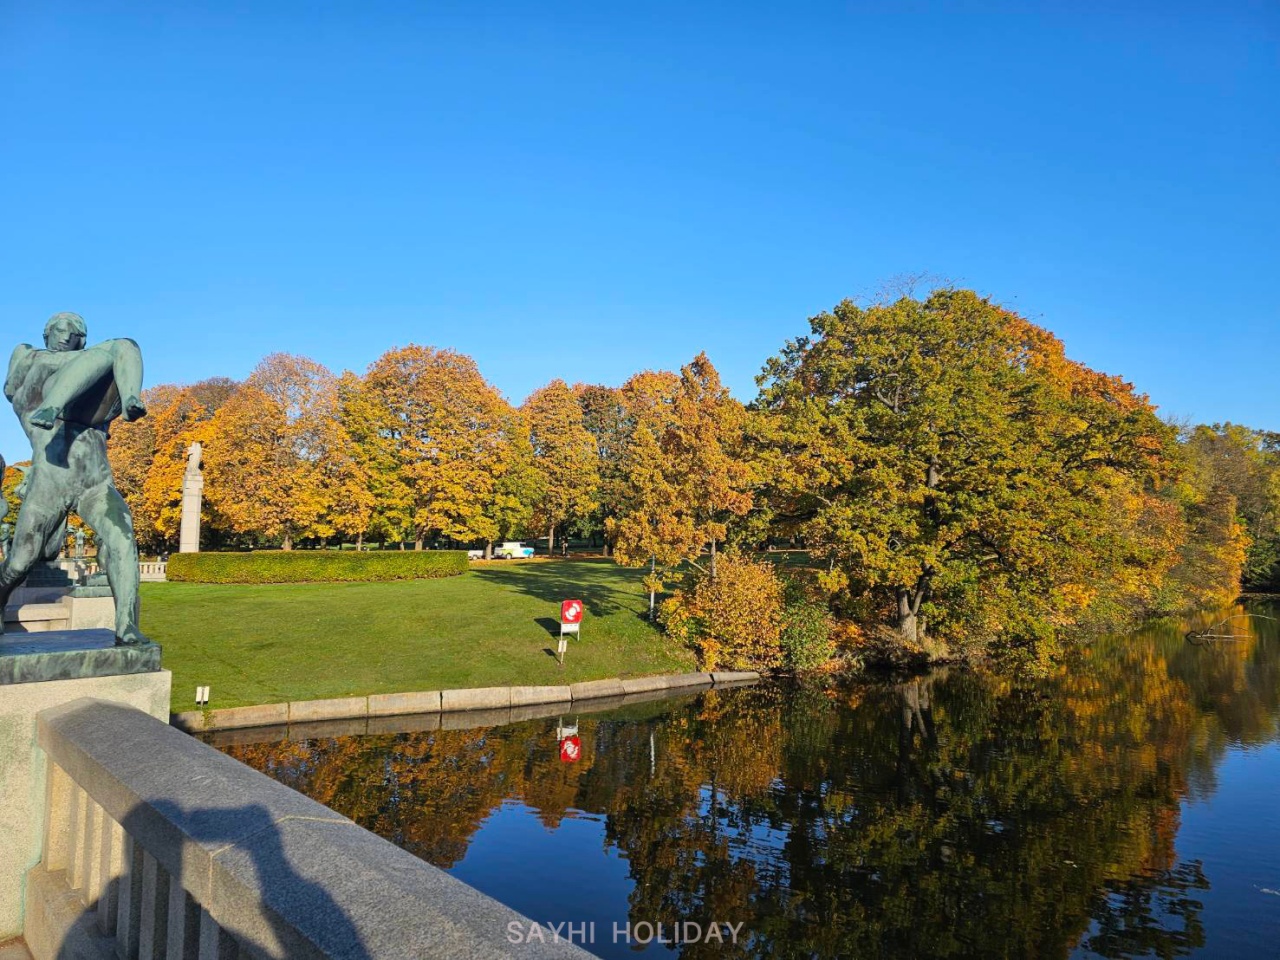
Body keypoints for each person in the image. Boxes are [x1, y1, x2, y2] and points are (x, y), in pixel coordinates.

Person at [0, 312, 150, 645]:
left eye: (77, 333)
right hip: (50, 479)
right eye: (63, 330)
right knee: (21, 560)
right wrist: (62, 362)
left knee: (123, 541)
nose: (70, 336)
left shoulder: (93, 373)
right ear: (47, 333)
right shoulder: (31, 363)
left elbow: (106, 358)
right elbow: (11, 387)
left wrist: (105, 372)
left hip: (94, 480)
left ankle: (125, 624)